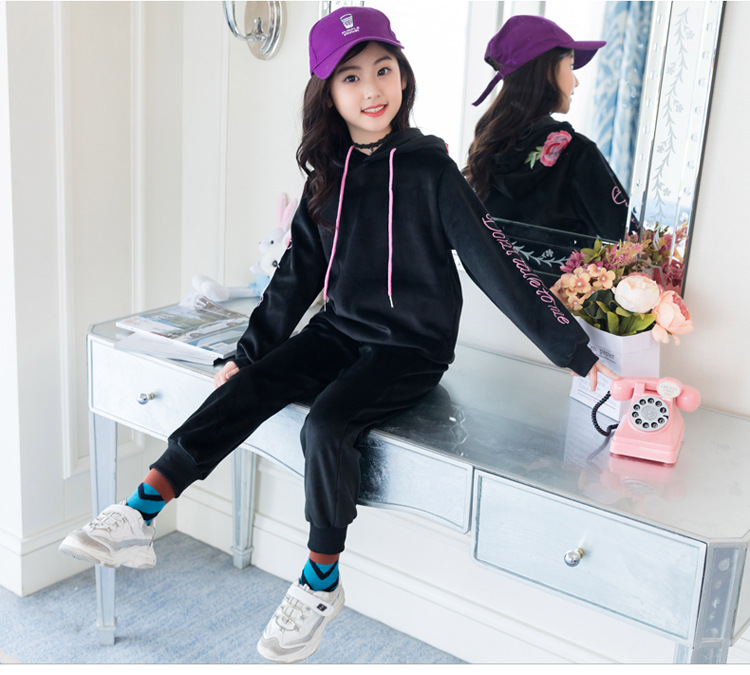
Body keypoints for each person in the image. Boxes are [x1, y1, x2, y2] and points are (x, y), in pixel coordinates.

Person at [59, 7, 615, 664]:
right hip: (339, 331)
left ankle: (320, 581)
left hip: (411, 347)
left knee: (326, 425)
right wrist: (248, 354)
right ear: (328, 92)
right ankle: (141, 510)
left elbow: (496, 265)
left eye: (383, 70)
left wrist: (577, 356)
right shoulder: (328, 175)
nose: (372, 89)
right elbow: (295, 276)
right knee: (249, 385)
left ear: (403, 77)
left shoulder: (432, 170)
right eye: (351, 77)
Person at [464, 15, 638, 282]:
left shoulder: (487, 150)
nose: (576, 82)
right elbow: (632, 244)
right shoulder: (578, 153)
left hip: (495, 301)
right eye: (571, 66)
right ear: (547, 71)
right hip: (567, 304)